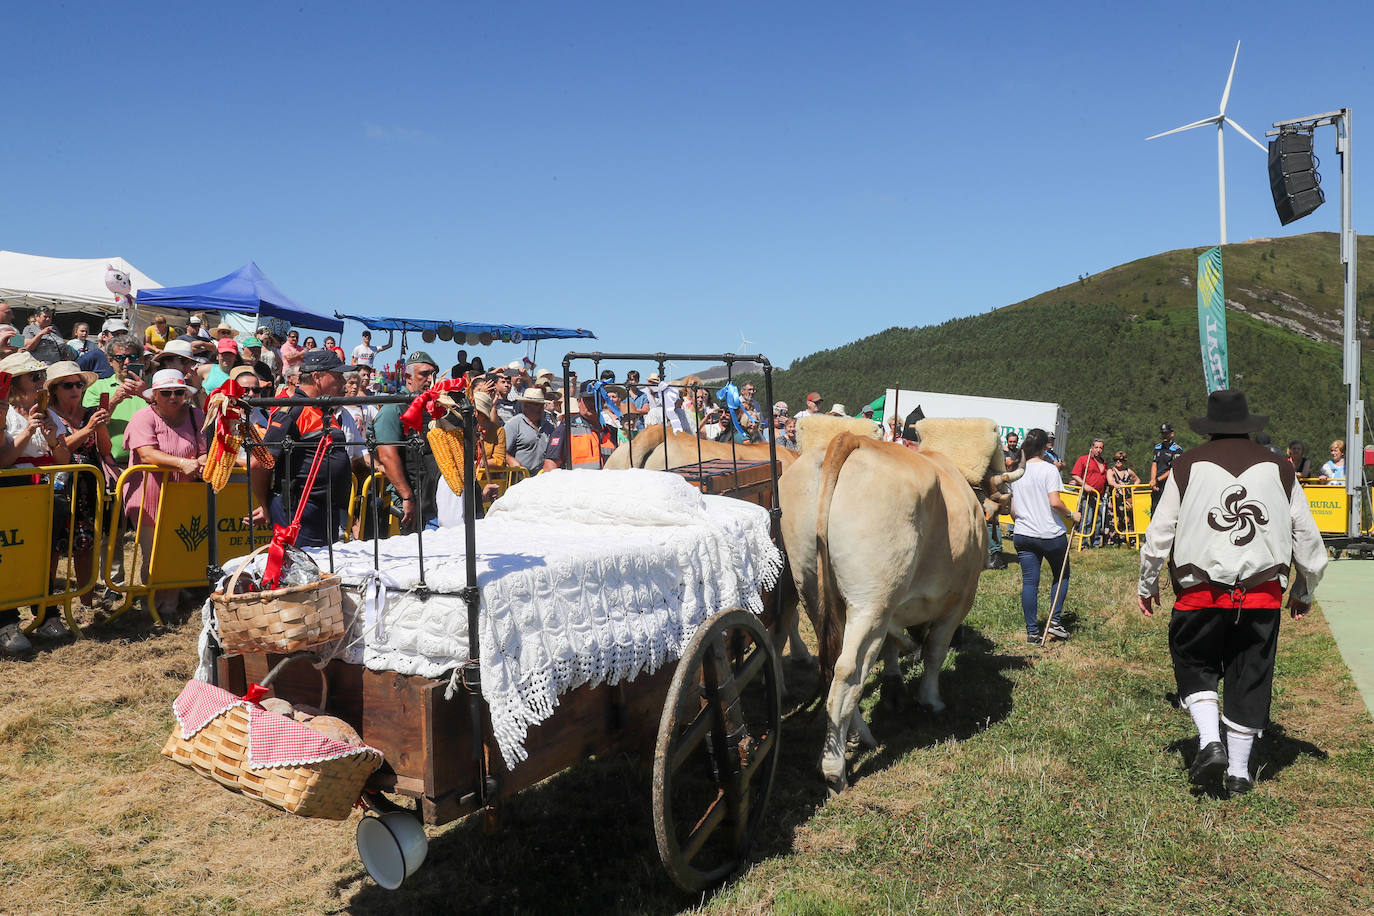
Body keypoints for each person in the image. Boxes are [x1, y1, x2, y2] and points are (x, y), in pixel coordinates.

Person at [1138, 389, 1327, 796]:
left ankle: (1210, 742)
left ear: (1209, 428)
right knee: (1251, 673)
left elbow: (1159, 532)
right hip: (1262, 595)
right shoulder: (1281, 469)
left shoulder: (1186, 465)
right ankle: (1240, 775)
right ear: (1248, 427)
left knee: (1195, 662)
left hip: (1198, 592)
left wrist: (1147, 582)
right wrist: (1304, 588)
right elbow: (1307, 537)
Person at [0, 351, 74, 652]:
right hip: (13, 491)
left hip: (46, 490)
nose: (41, 380)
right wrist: (29, 429)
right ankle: (7, 621)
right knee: (10, 554)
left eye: (41, 375)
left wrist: (53, 438)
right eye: (34, 376)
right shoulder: (5, 413)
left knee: (44, 556)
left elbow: (64, 459)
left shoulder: (49, 413)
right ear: (15, 382)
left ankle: (45, 613)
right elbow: (4, 459)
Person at [122, 369, 208, 620]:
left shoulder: (197, 415)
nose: (173, 397)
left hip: (184, 493)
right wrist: (182, 463)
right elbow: (147, 453)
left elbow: (204, 450)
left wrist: (201, 461)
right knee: (154, 552)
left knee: (178, 549)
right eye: (166, 392)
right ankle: (150, 603)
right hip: (149, 492)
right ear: (154, 395)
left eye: (178, 392)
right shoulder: (143, 417)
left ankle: (169, 604)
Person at [247, 350, 354, 547]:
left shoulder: (322, 410)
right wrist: (265, 504)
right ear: (317, 377)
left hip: (323, 511)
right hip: (300, 511)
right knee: (300, 564)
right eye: (338, 376)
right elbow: (259, 464)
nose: (343, 382)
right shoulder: (293, 410)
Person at [45, 361, 111, 615]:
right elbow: (59, 449)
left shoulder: (90, 413)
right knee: (52, 550)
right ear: (54, 389)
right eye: (68, 385)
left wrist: (99, 427)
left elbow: (104, 449)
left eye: (79, 384)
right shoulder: (48, 415)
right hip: (58, 488)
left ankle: (86, 606)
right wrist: (88, 429)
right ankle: (47, 608)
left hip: (87, 486)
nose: (75, 389)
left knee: (86, 547)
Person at [1007, 428, 1080, 644]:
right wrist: (1071, 514)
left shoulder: (1017, 471)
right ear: (1044, 447)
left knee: (1030, 583)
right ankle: (1054, 622)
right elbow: (1055, 502)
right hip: (1050, 534)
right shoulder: (1049, 470)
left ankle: (1032, 632)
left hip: (1023, 534)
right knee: (1061, 575)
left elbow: (1013, 510)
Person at [372, 350, 441, 532]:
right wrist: (407, 497)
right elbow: (387, 456)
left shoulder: (431, 408)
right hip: (414, 500)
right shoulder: (394, 408)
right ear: (408, 377)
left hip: (432, 496)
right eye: (424, 374)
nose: (430, 379)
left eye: (433, 374)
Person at [504, 387, 554, 474]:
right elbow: (500, 451)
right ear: (526, 405)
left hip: (542, 477)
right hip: (519, 478)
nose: (540, 408)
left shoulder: (549, 427)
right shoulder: (514, 424)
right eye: (536, 405)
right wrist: (511, 461)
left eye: (542, 405)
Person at [1071, 438, 1108, 548]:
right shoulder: (1084, 459)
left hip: (1100, 495)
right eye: (1096, 447)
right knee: (1087, 519)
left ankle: (1095, 543)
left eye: (1100, 448)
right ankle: (1083, 543)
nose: (1098, 450)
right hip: (1087, 495)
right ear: (1091, 448)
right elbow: (1075, 475)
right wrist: (1084, 485)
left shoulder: (1103, 462)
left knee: (1098, 520)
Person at [1106, 450, 1141, 545]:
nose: (1118, 461)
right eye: (1116, 459)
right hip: (1114, 500)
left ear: (1124, 461)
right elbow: (1110, 481)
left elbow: (1137, 480)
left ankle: (1129, 540)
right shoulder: (1111, 471)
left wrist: (1132, 488)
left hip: (1126, 500)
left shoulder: (1128, 471)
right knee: (1114, 520)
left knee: (1127, 519)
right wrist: (1116, 485)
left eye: (1120, 460)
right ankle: (1113, 540)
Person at [1149, 423, 1183, 512]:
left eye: (1166, 433)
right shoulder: (1158, 447)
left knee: (1168, 511)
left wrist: (1157, 480)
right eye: (1162, 433)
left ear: (1172, 434)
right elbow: (1154, 464)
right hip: (1156, 485)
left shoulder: (1177, 449)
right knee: (1154, 510)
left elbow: (1173, 469)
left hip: (1169, 483)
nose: (1164, 435)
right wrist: (1153, 480)